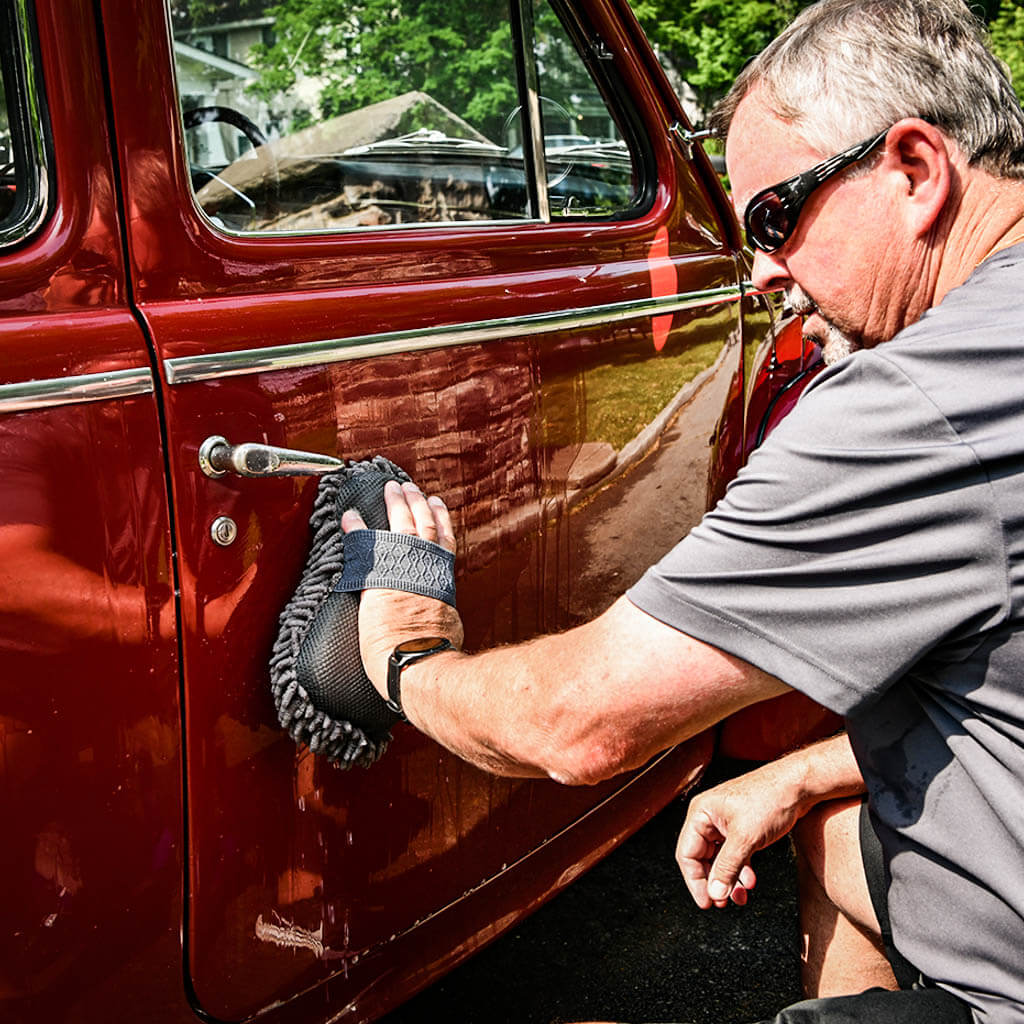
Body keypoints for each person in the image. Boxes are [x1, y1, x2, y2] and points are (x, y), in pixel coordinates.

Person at [339, 0, 1024, 1020]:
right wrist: (801, 773)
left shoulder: (917, 402)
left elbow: (582, 724)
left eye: (773, 219)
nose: (765, 271)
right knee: (830, 832)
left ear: (914, 169)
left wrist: (407, 657)